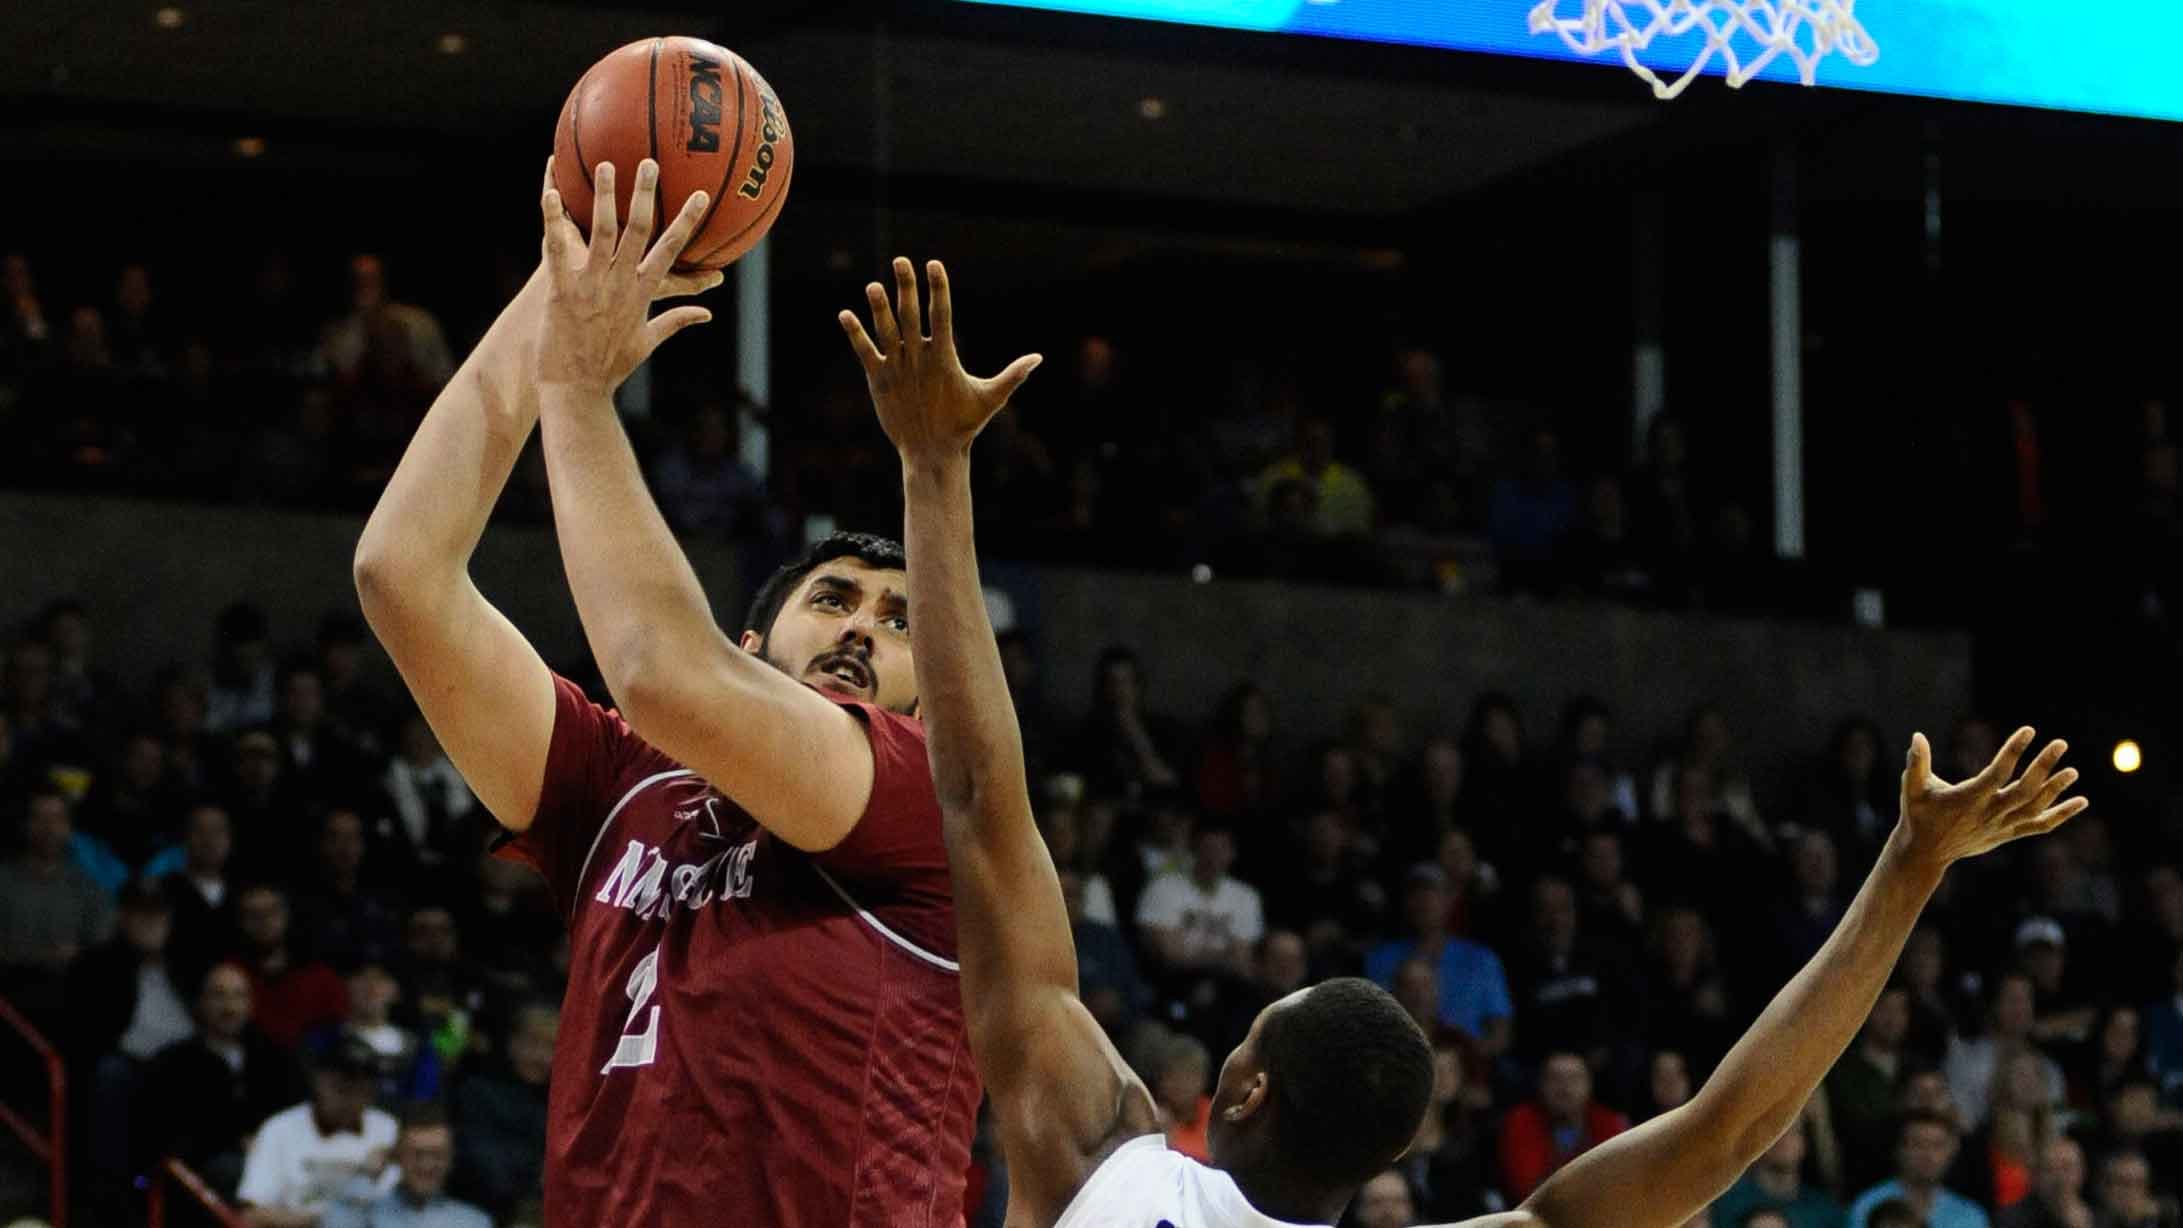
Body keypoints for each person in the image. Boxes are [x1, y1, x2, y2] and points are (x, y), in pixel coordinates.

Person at [852, 253, 2088, 1228]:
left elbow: (972, 792)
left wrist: (933, 468)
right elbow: (1724, 1131)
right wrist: (1910, 870)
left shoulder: (1103, 1155)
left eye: (1239, 1041)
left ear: (1242, 1089)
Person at [352, 161, 975, 1226]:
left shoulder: (915, 790)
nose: (864, 629)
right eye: (832, 599)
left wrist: (578, 390)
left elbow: (658, 671)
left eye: (899, 621)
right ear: (750, 640)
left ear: (924, 706)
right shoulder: (621, 792)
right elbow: (400, 572)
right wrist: (570, 271)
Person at [236, 1035, 400, 1227]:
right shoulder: (280, 1129)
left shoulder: (387, 1128)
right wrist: (328, 1220)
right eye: (342, 1086)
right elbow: (251, 1214)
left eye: (362, 1087)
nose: (352, 1096)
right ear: (318, 1080)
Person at [321, 1103, 490, 1228]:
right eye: (416, 1154)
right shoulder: (367, 1213)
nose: (427, 1165)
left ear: (451, 1159)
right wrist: (367, 1175)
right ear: (397, 1156)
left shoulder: (474, 1222)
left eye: (438, 1155)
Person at [1497, 1053, 1631, 1202]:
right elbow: (1526, 1189)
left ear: (1589, 1085)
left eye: (1574, 1078)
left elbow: (1615, 1184)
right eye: (1555, 1078)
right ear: (1541, 1085)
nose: (1565, 1087)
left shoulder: (1609, 1122)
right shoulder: (1521, 1121)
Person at [1846, 1111, 1989, 1228]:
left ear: (1951, 1152)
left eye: (1936, 1145)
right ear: (1898, 1150)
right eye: (1917, 1144)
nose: (1927, 1154)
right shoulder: (1867, 1206)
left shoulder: (1971, 1216)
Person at [1711, 1116, 1848, 1228]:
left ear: (1805, 1143)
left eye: (1795, 1130)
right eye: (1776, 1130)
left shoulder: (1825, 1211)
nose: (1785, 1138)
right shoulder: (1723, 1201)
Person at [1996, 1137, 2093, 1228]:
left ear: (2082, 1171)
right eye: (2050, 1169)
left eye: (2067, 1168)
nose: (2059, 1177)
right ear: (2037, 1175)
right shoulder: (2013, 1219)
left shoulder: (2097, 1214)